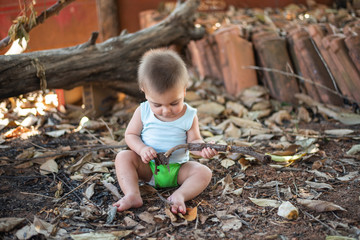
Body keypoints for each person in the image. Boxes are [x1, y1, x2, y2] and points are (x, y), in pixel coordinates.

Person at [113, 49, 218, 214]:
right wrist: (141, 149)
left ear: (184, 90)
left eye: (174, 103)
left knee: (204, 172)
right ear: (144, 91)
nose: (166, 110)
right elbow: (130, 135)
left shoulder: (189, 116)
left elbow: (194, 142)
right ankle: (132, 194)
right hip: (148, 168)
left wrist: (203, 149)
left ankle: (179, 195)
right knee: (123, 157)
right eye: (157, 105)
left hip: (178, 170)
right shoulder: (143, 111)